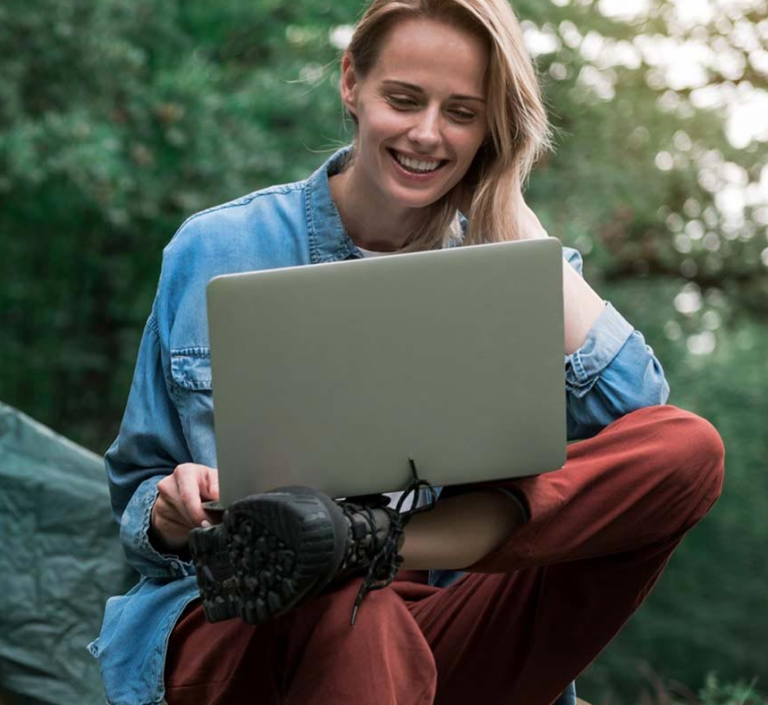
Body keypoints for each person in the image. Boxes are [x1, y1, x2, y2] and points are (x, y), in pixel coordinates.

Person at [89, 0, 725, 703]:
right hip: (243, 626)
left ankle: (371, 538)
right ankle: (346, 554)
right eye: (404, 99)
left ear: (493, 126)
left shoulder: (515, 267)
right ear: (351, 83)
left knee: (690, 444)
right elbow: (138, 490)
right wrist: (170, 509)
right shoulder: (218, 248)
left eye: (463, 112)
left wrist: (512, 216)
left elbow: (643, 436)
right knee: (351, 609)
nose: (428, 134)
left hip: (441, 618)